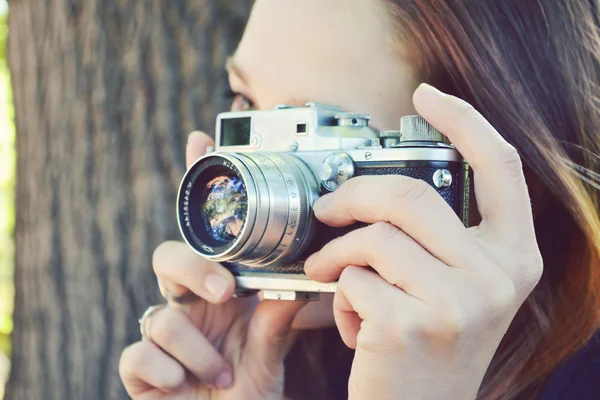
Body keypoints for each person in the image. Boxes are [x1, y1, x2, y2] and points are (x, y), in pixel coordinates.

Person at [118, 0, 600, 399]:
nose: (247, 172)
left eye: (324, 132)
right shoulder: (287, 355)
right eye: (245, 101)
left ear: (470, 180)